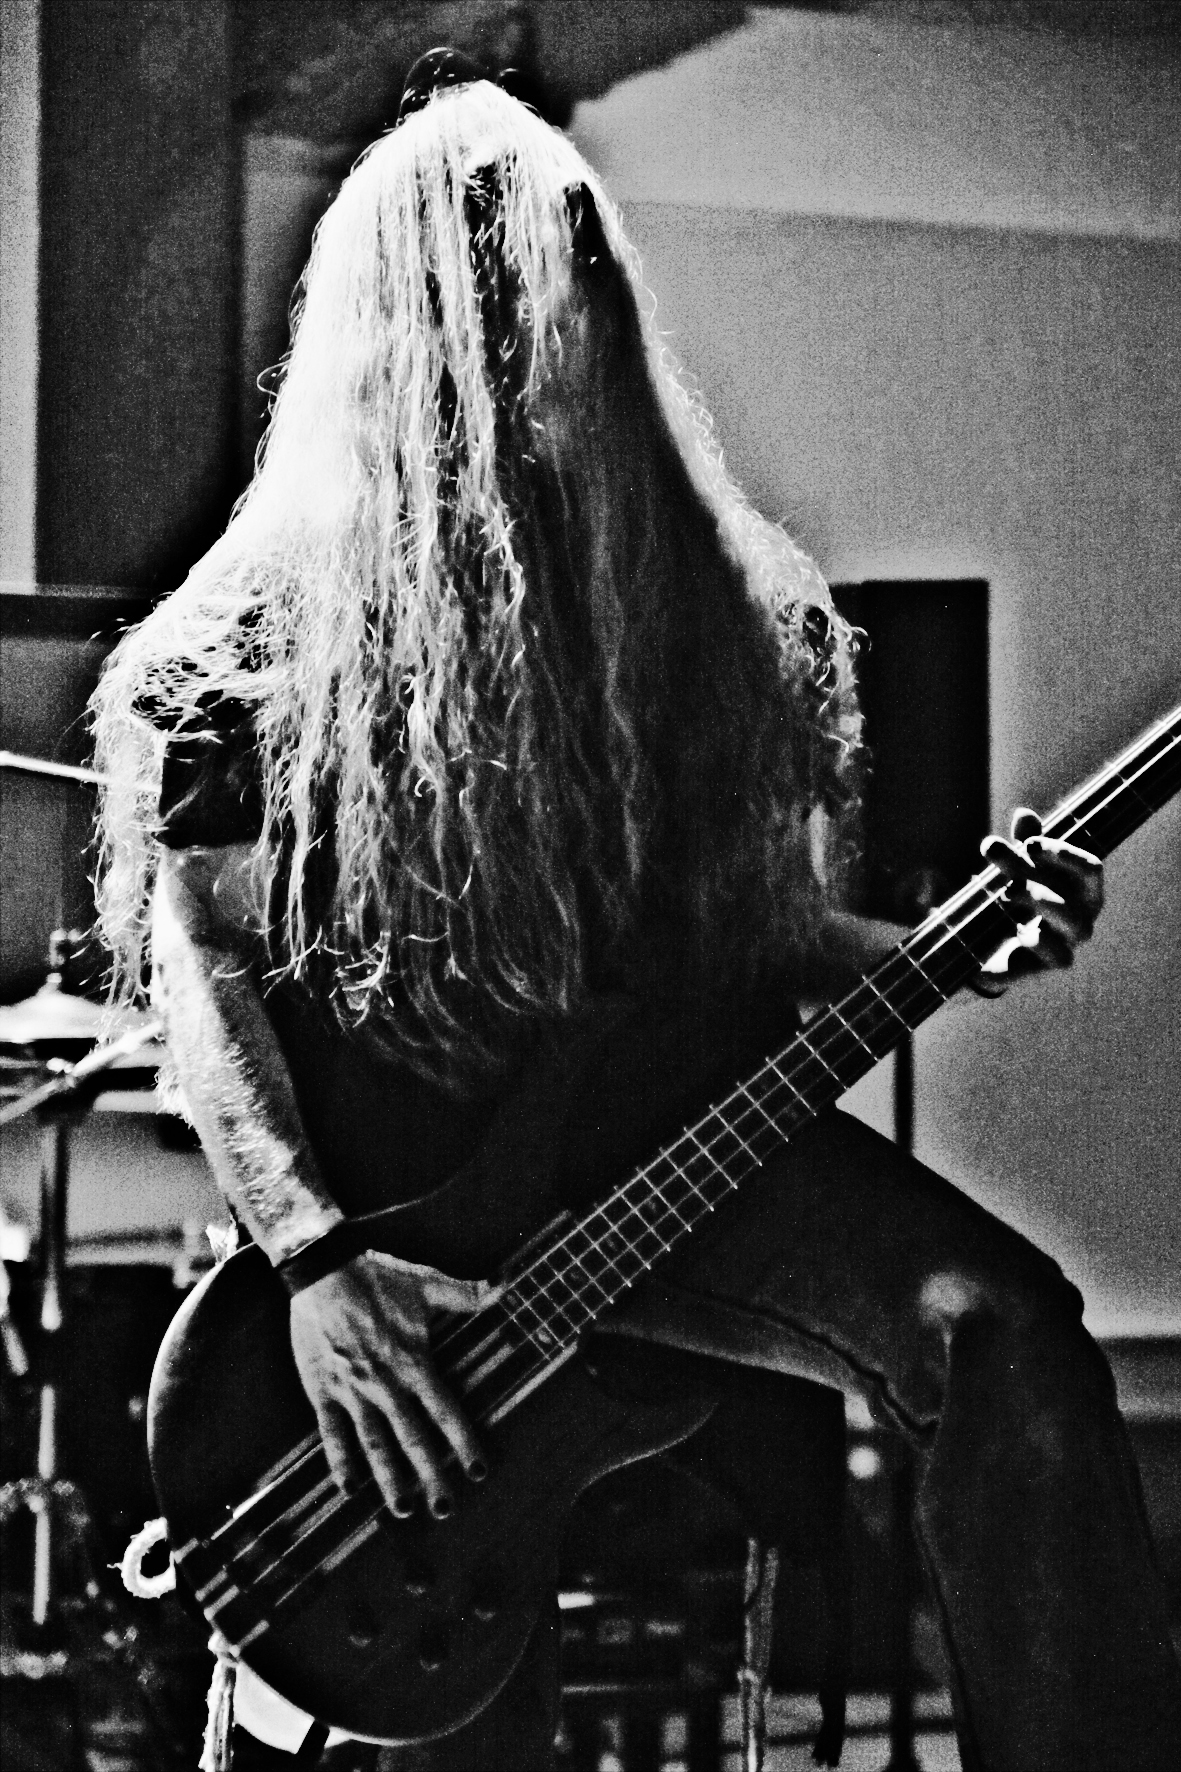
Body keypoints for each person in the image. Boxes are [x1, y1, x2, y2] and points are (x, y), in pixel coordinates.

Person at [92, 59, 1181, 1772]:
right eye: (514, 304)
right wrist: (310, 1259)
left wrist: (940, 951)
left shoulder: (697, 610)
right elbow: (206, 959)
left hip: (660, 1155)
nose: (559, 345)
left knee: (1000, 1333)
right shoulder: (248, 646)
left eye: (578, 291)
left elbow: (728, 944)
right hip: (409, 1206)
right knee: (468, 1688)